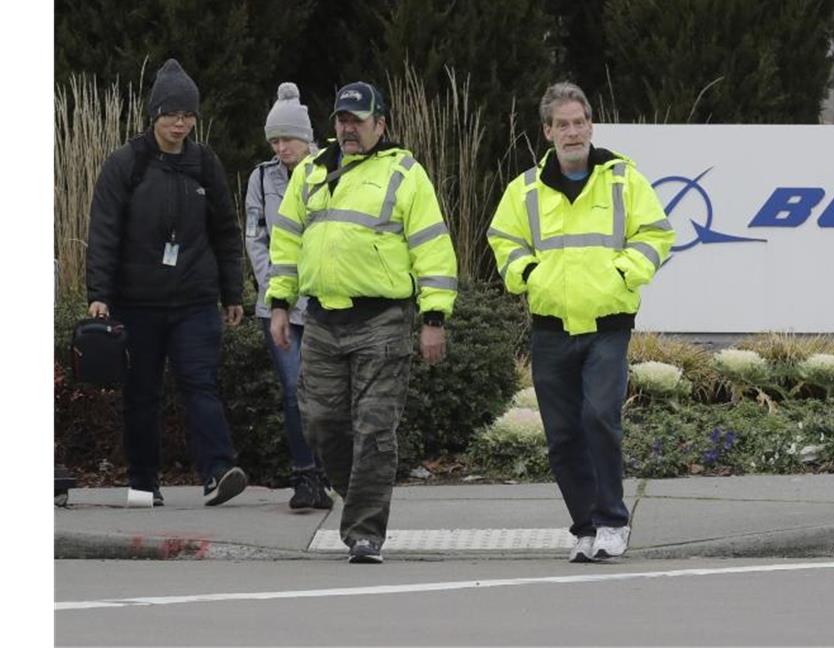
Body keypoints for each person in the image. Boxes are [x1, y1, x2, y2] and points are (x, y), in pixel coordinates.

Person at [266, 80, 457, 563]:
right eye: (342, 120)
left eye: (358, 120)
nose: (348, 128)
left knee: (374, 429)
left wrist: (433, 316)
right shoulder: (310, 172)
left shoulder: (405, 173)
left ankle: (365, 532)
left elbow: (433, 247)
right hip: (323, 320)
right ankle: (359, 498)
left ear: (381, 124)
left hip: (383, 322)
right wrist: (280, 304)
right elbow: (286, 242)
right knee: (321, 423)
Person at [487, 81, 674, 563]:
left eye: (579, 122)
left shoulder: (622, 179)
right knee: (563, 435)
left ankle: (613, 520)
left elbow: (655, 232)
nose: (572, 132)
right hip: (550, 327)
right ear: (547, 132)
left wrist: (624, 273)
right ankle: (586, 529)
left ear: (590, 125)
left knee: (599, 417)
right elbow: (503, 241)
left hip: (608, 323)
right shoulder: (523, 189)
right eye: (562, 125)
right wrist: (529, 275)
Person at [86, 57, 249, 507]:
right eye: (172, 114)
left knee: (200, 384)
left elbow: (226, 230)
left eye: (188, 115)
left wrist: (232, 291)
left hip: (196, 300)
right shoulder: (126, 164)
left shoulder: (204, 163)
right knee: (142, 393)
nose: (180, 124)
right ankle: (143, 481)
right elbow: (103, 231)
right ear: (154, 114)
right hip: (136, 302)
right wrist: (99, 295)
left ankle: (218, 471)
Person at [244, 82, 331, 511]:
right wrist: (275, 286)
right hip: (277, 303)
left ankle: (331, 470)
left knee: (327, 392)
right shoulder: (261, 178)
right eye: (275, 140)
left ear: (306, 137)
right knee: (294, 389)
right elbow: (256, 238)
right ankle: (305, 477)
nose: (281, 147)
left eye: (288, 139)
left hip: (322, 303)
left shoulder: (330, 171)